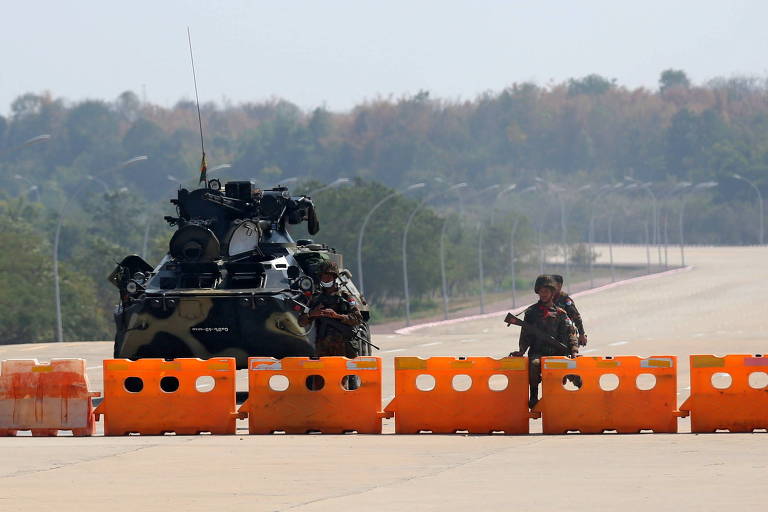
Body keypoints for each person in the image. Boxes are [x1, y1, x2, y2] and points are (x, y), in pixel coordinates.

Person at [509, 275, 579, 409]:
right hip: (538, 352)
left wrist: (574, 351)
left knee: (572, 368)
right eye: (541, 291)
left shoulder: (560, 313)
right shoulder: (531, 313)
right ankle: (534, 395)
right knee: (534, 365)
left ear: (552, 293)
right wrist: (522, 350)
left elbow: (571, 332)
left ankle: (577, 393)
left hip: (557, 352)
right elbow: (525, 334)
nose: (543, 294)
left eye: (546, 291)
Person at [298, 261, 363, 358]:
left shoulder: (346, 297)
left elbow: (358, 319)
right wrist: (312, 313)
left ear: (335, 277)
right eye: (323, 277)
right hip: (322, 351)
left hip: (344, 350)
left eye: (328, 276)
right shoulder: (315, 299)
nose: (325, 280)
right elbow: (301, 322)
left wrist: (337, 316)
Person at [550, 274, 587, 347]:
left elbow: (576, 316)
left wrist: (581, 334)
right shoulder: (546, 298)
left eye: (552, 285)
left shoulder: (565, 300)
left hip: (564, 334)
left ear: (559, 285)